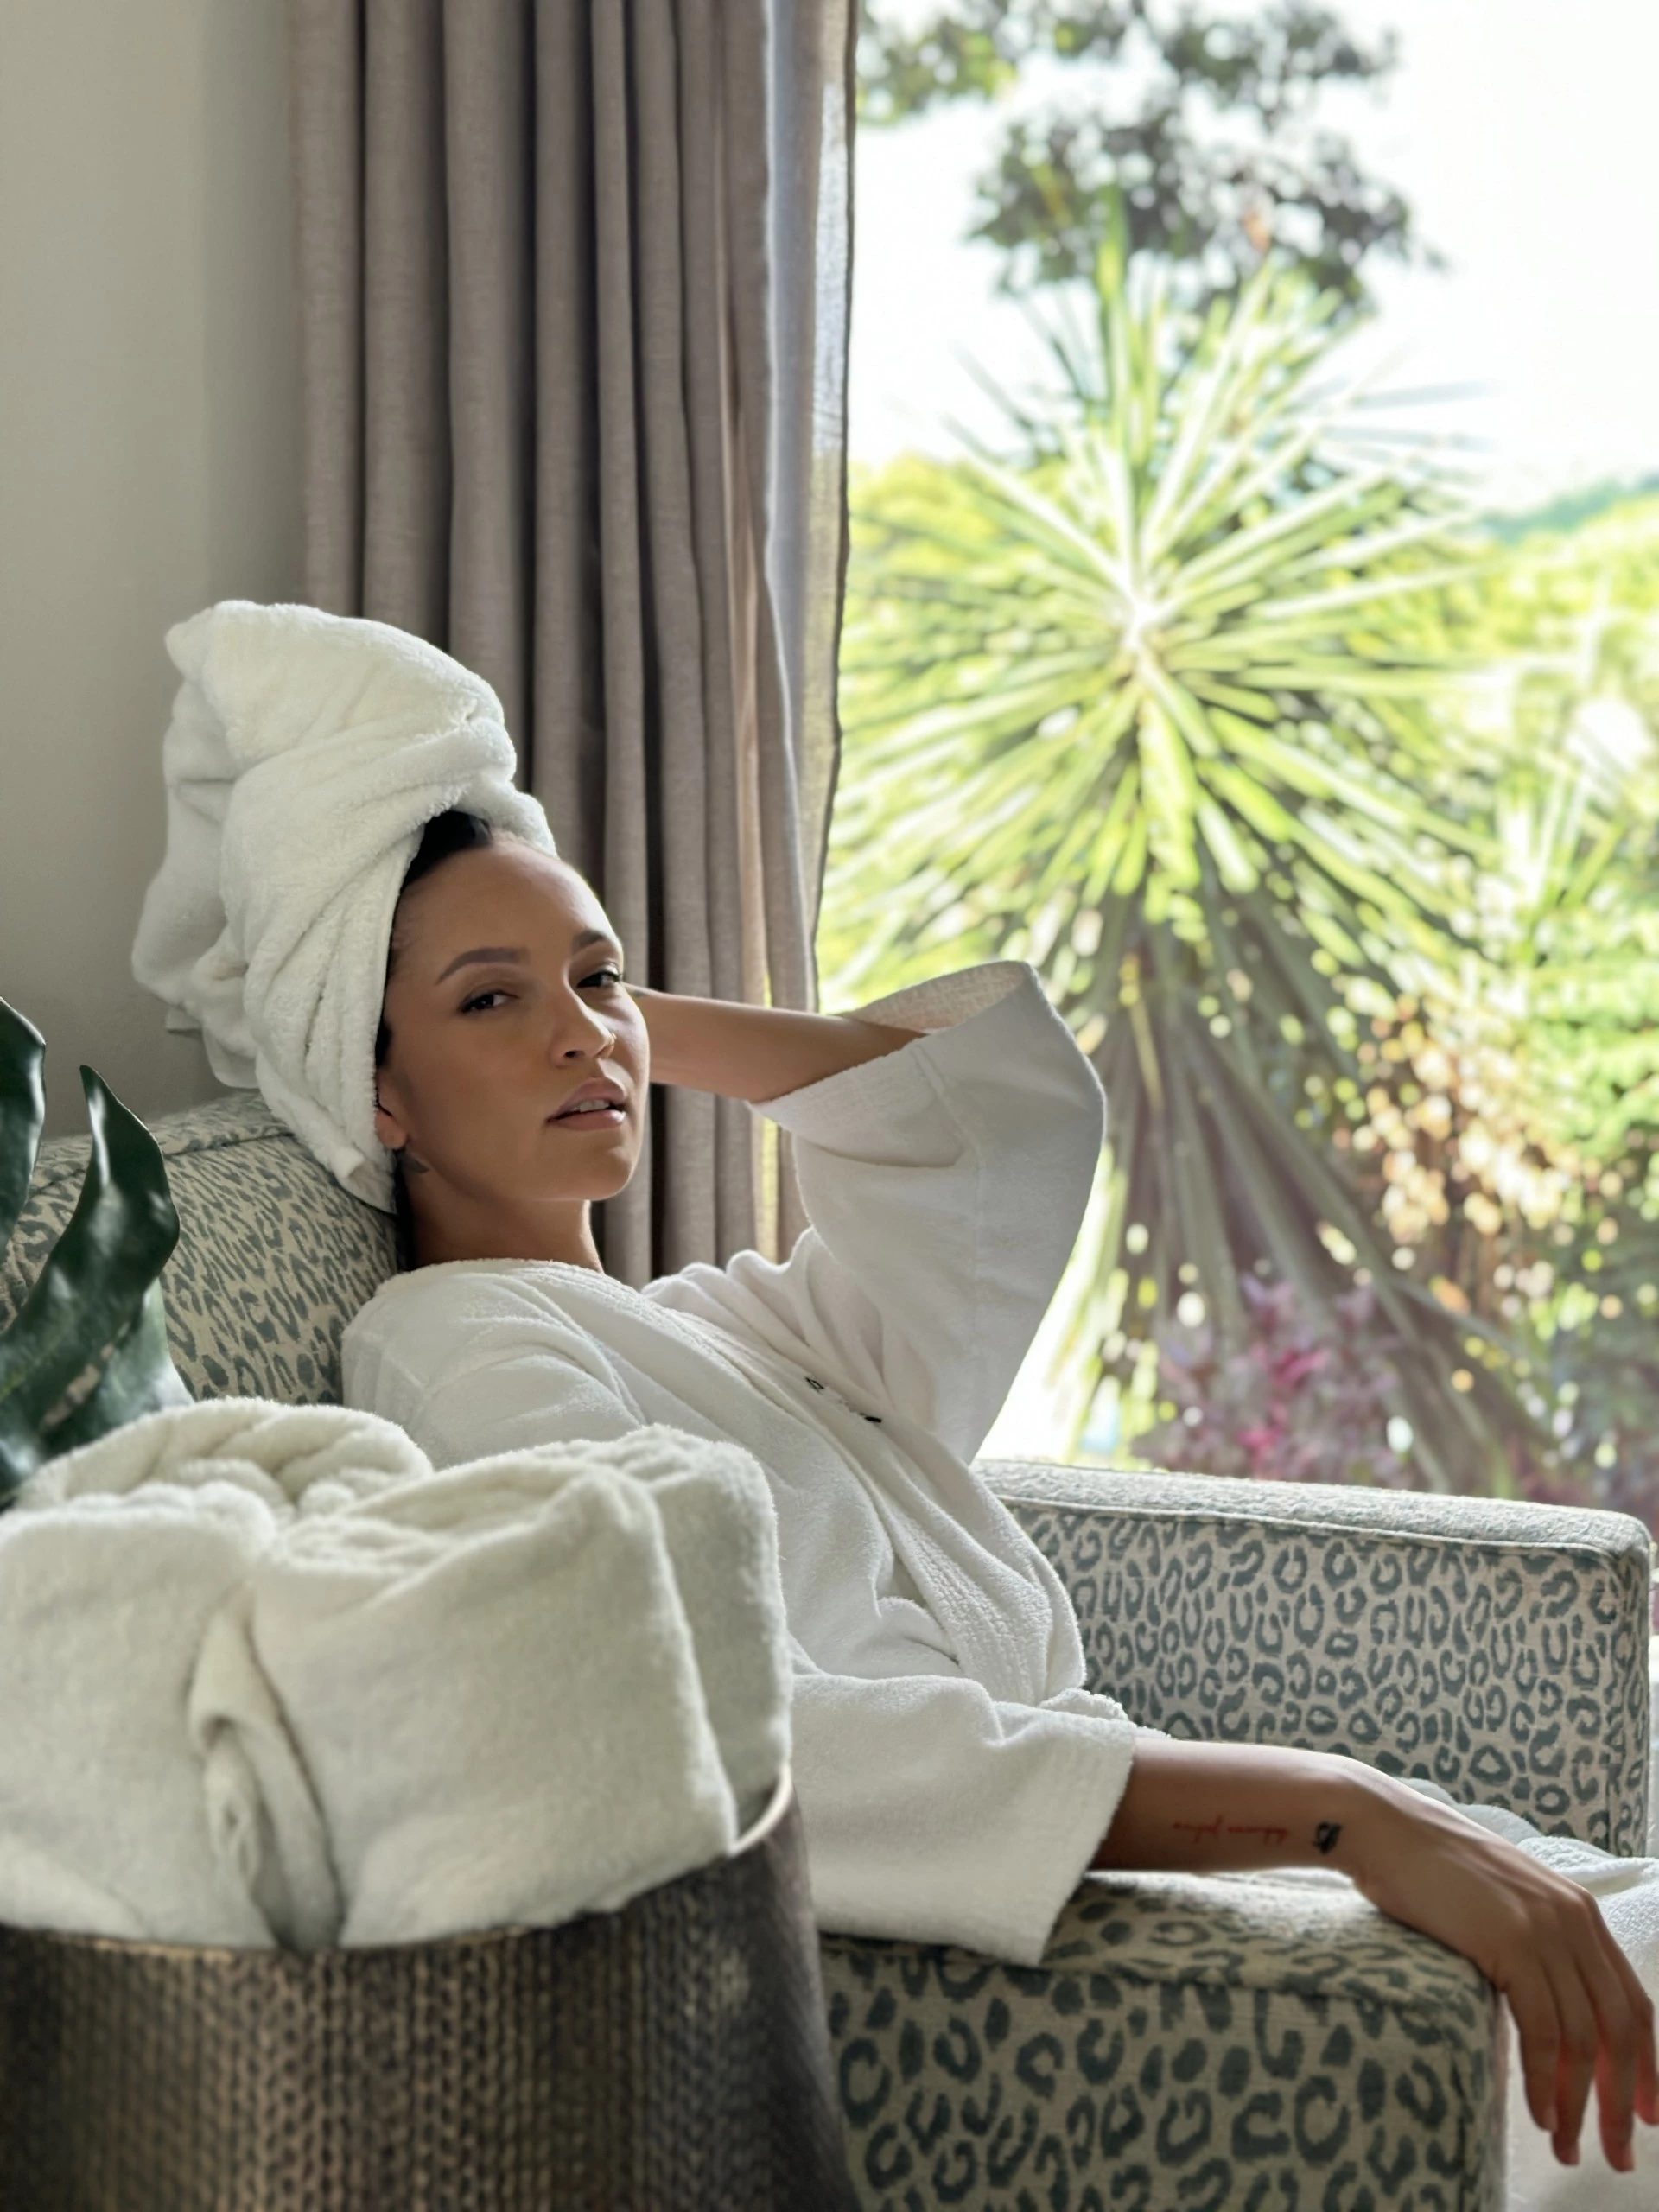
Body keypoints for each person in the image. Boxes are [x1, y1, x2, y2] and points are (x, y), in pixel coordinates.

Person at [342, 806, 1659, 2193]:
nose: (581, 1033)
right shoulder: (460, 1356)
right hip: (1051, 1965)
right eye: (486, 998)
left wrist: (604, 1019)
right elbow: (719, 1737)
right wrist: (1333, 1810)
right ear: (378, 1094)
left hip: (1148, 1885)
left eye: (601, 978)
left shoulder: (718, 1330)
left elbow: (994, 1129)